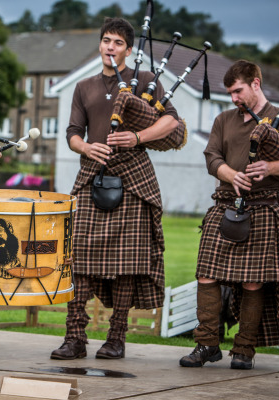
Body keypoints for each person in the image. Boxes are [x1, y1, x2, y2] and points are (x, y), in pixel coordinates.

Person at [50, 17, 185, 360]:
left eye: (118, 43)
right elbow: (72, 132)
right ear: (100, 44)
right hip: (92, 174)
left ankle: (116, 337)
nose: (110, 47)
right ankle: (75, 337)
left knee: (127, 263)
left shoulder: (145, 81)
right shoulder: (84, 87)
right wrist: (85, 147)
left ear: (128, 49)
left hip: (134, 180)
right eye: (106, 40)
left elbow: (173, 122)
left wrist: (137, 136)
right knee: (77, 259)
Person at [179, 60, 279, 370]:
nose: (234, 98)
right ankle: (207, 344)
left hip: (265, 207)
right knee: (206, 273)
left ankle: (244, 350)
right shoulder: (224, 119)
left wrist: (271, 167)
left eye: (238, 91)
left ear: (256, 83)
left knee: (253, 282)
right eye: (230, 93)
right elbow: (212, 156)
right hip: (225, 203)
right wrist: (230, 174)